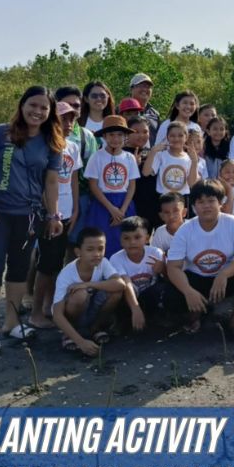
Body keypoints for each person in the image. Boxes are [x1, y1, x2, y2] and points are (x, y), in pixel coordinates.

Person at [0, 86, 64, 353]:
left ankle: (12, 322)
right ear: (22, 104)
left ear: (50, 113)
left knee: (19, 269)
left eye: (44, 108)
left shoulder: (52, 141)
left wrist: (53, 214)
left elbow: (51, 182)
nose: (37, 112)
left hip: (29, 216)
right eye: (33, 105)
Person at [165, 179, 234, 341]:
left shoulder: (232, 223)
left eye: (211, 201)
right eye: (201, 202)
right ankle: (197, 314)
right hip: (197, 279)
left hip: (225, 279)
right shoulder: (185, 230)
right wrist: (188, 291)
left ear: (220, 203)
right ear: (194, 207)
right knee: (170, 295)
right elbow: (173, 267)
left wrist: (223, 275)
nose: (206, 206)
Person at [29, 101, 82, 329]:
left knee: (59, 261)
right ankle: (35, 312)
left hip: (69, 211)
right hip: (50, 215)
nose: (69, 123)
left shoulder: (72, 146)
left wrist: (76, 208)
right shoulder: (42, 146)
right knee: (47, 264)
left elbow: (73, 179)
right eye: (64, 118)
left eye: (72, 118)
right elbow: (41, 184)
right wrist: (53, 214)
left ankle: (50, 305)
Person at [52, 227, 136, 355]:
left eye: (100, 249)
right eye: (90, 249)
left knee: (115, 291)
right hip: (74, 313)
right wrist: (81, 342)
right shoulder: (66, 274)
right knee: (79, 295)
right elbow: (57, 315)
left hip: (92, 309)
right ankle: (71, 334)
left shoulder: (103, 263)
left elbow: (120, 284)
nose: (97, 254)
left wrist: (87, 284)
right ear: (78, 252)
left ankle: (95, 328)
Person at [84, 115, 139, 259]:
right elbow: (93, 185)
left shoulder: (129, 157)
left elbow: (132, 186)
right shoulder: (97, 157)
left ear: (125, 137)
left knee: (125, 240)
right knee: (102, 241)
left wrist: (122, 210)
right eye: (111, 135)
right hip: (103, 204)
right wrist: (111, 209)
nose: (115, 139)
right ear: (104, 136)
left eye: (120, 135)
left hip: (124, 203)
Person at [55, 86, 98, 245]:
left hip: (79, 197)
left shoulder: (86, 136)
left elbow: (92, 171)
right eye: (67, 104)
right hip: (48, 199)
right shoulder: (44, 135)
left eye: (76, 106)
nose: (71, 109)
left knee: (75, 242)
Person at [108, 216, 168, 328]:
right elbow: (126, 283)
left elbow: (169, 279)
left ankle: (157, 317)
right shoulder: (116, 258)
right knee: (118, 291)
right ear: (120, 240)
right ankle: (121, 321)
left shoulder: (155, 253)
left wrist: (163, 269)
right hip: (129, 299)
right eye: (126, 238)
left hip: (149, 297)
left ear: (147, 238)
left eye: (137, 237)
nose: (132, 242)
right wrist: (136, 308)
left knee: (161, 288)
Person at [142, 120, 199, 201]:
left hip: (182, 198)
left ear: (186, 137)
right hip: (163, 197)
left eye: (180, 136)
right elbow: (146, 173)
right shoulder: (161, 155)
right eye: (172, 136)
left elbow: (192, 183)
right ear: (167, 137)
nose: (176, 139)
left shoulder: (189, 158)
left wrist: (194, 162)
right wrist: (153, 151)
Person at [129, 73, 160, 144]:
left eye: (148, 87)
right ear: (131, 88)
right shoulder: (122, 111)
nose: (145, 89)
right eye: (141, 86)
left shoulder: (155, 114)